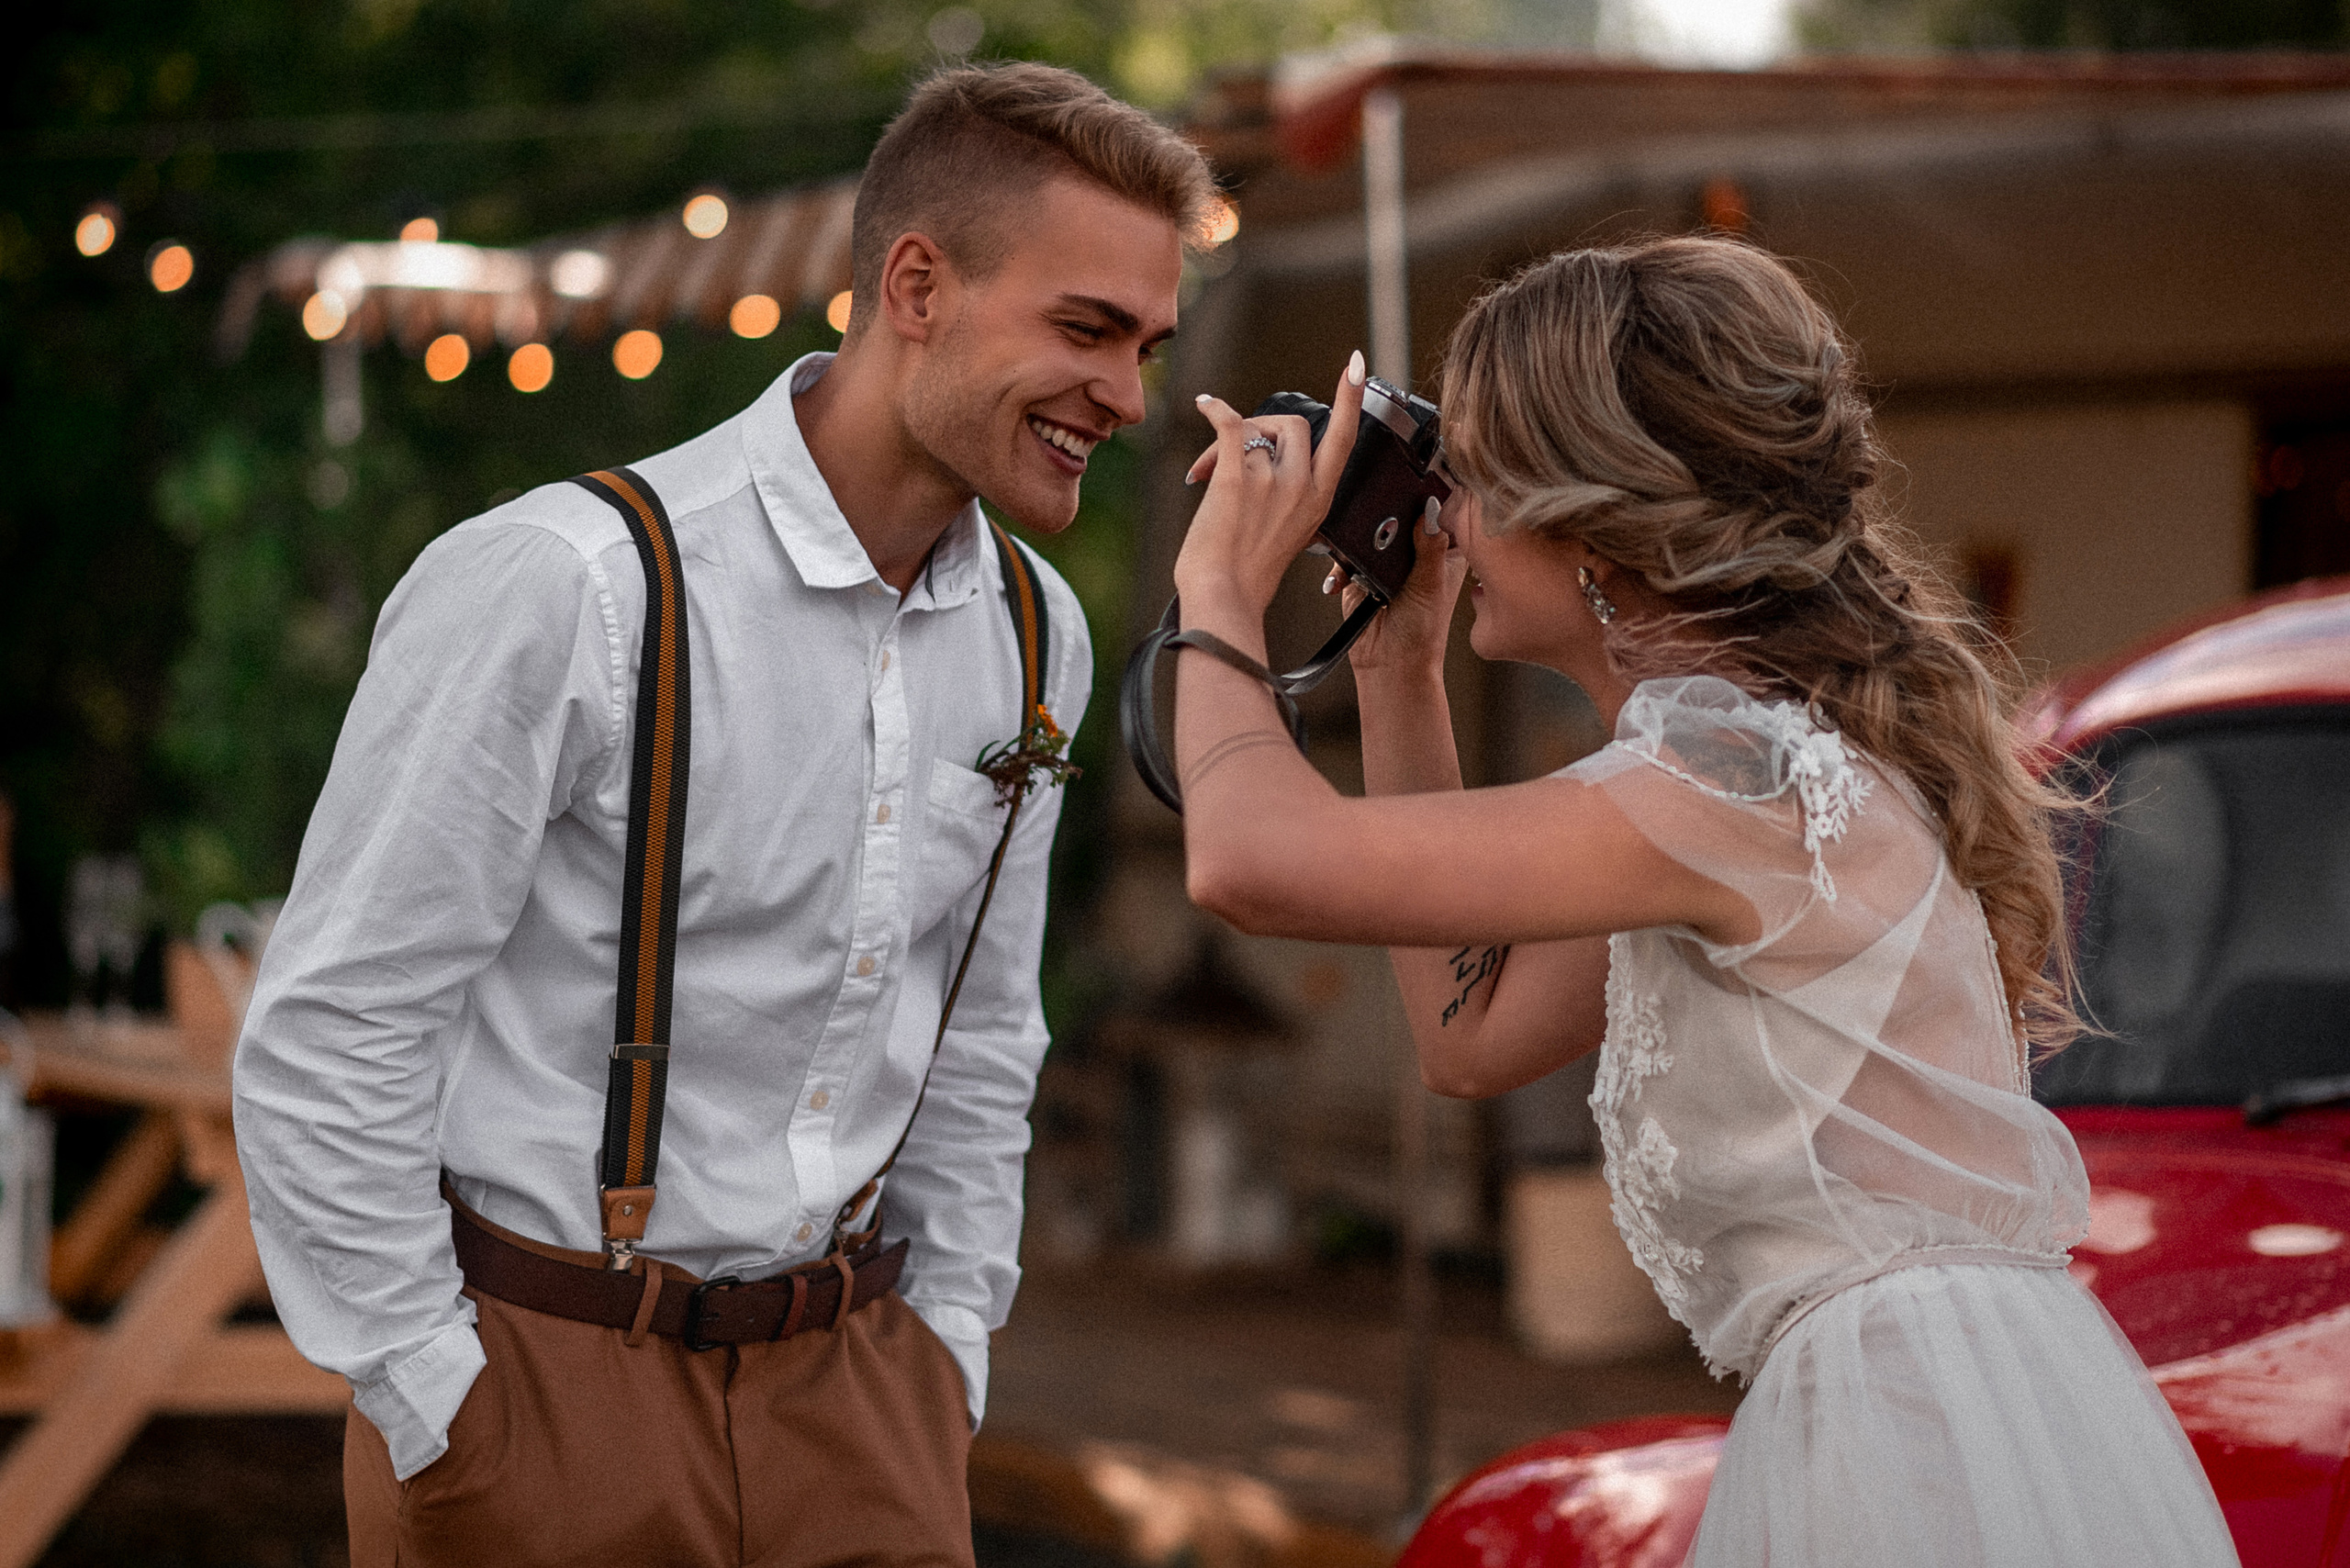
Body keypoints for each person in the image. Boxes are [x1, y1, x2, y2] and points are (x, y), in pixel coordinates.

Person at [233, 62, 1214, 1568]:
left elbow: (980, 1037)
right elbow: (337, 1020)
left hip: (866, 1396)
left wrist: (945, 1352)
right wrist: (434, 1399)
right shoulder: (571, 583)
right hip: (548, 1391)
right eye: (1085, 329)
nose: (1128, 398)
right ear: (914, 286)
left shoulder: (1037, 635)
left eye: (1146, 346)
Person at [1167, 237, 2240, 1565]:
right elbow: (1471, 1035)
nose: (1453, 518)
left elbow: (1246, 862)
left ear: (1599, 522)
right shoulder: (1735, 770)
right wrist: (1401, 663)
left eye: (1483, 483)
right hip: (1921, 1401)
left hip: (1906, 1432)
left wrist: (1214, 585)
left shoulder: (1729, 782)